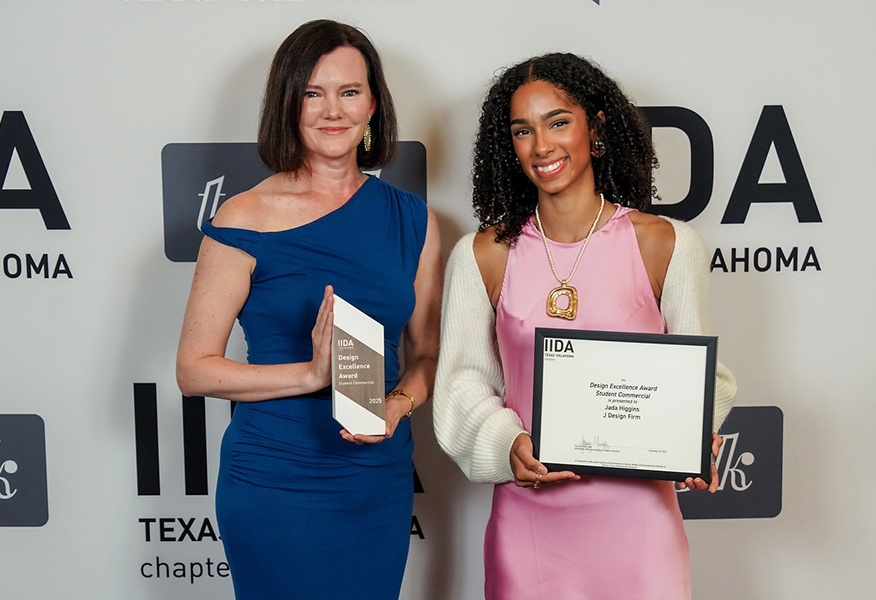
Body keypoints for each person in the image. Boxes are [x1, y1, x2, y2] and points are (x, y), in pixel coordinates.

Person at [433, 53, 736, 599]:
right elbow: (462, 385)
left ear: (594, 127)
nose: (541, 146)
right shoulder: (483, 255)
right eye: (523, 130)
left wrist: (691, 436)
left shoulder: (666, 244)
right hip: (529, 527)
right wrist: (507, 444)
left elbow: (700, 377)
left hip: (639, 527)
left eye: (557, 122)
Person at [175, 20, 442, 600]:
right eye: (313, 93)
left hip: (377, 479)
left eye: (349, 92)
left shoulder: (413, 219)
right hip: (275, 478)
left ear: (374, 104)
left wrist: (398, 404)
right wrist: (310, 375)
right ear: (288, 104)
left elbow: (424, 354)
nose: (333, 111)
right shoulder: (243, 219)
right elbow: (193, 369)